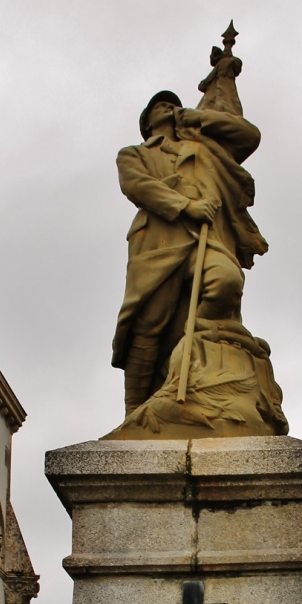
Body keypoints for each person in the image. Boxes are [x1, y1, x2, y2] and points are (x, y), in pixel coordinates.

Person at [112, 90, 268, 415]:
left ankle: (188, 360)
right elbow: (136, 185)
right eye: (158, 105)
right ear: (147, 121)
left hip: (205, 238)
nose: (167, 106)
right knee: (149, 322)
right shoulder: (134, 153)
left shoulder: (202, 144)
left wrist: (197, 118)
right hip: (159, 240)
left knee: (226, 281)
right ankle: (135, 411)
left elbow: (248, 135)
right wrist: (186, 206)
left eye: (172, 103)